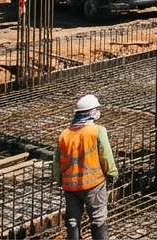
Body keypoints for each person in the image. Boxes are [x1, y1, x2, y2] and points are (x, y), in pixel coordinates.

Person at [53, 94, 118, 240]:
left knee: (72, 219)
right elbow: (105, 154)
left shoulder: (64, 134)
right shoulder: (97, 131)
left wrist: (58, 179)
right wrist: (112, 172)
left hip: (70, 187)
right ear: (92, 112)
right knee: (98, 218)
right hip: (93, 185)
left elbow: (57, 160)